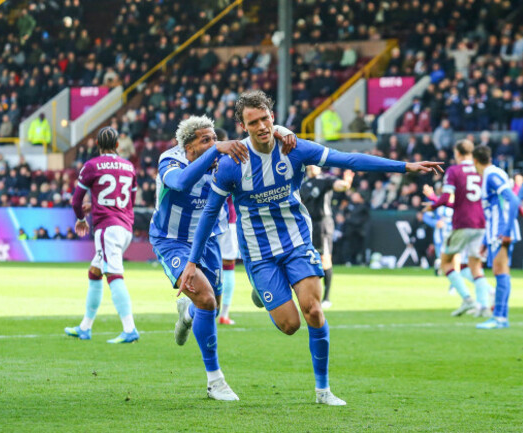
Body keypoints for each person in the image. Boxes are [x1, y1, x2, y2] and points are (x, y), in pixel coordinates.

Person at [181, 90, 442, 406]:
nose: (262, 126)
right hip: (260, 253)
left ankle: (323, 391)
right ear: (243, 125)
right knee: (290, 325)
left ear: (273, 118)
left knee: (314, 311)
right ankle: (260, 287)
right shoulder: (232, 163)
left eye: (265, 119)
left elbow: (348, 160)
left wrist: (406, 166)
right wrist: (192, 262)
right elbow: (210, 212)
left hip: (298, 243)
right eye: (254, 122)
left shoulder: (294, 148)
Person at [149, 115, 294, 401]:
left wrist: (284, 131)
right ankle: (215, 381)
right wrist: (217, 150)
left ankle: (186, 313)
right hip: (172, 241)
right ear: (188, 146)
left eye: (216, 138)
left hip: (211, 239)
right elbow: (179, 183)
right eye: (206, 140)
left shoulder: (224, 158)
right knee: (206, 298)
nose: (215, 144)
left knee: (209, 308)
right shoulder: (171, 160)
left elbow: (260, 136)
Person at [64, 127, 140, 344]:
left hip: (108, 229)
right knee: (95, 272)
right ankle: (85, 328)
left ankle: (129, 328)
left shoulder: (92, 166)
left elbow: (75, 201)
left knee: (114, 275)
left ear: (97, 145)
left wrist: (80, 218)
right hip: (125, 226)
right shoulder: (128, 166)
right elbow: (129, 202)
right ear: (118, 146)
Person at [423, 140, 494, 317]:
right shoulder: (482, 171)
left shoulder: (454, 170)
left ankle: (467, 299)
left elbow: (447, 198)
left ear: (458, 153)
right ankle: (484, 306)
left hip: (463, 222)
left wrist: (433, 203)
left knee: (445, 262)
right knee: (473, 265)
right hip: (481, 223)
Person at [473, 146, 521, 330]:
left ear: (475, 161)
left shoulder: (492, 176)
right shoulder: (494, 174)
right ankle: (500, 317)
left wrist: (507, 232)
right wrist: (485, 241)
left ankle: (500, 317)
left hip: (501, 232)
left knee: (501, 272)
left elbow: (513, 200)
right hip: (495, 232)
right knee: (500, 272)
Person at [300, 166, 353, 308]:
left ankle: (326, 298)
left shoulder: (325, 179)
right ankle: (310, 294)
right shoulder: (302, 183)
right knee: (307, 259)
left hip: (323, 224)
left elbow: (338, 185)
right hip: (308, 224)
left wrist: (346, 184)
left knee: (325, 259)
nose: (312, 166)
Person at [214, 128, 239, 325]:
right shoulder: (232, 162)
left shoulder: (206, 162)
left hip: (208, 220)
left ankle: (207, 310)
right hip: (229, 220)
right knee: (228, 266)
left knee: (204, 265)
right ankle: (224, 313)